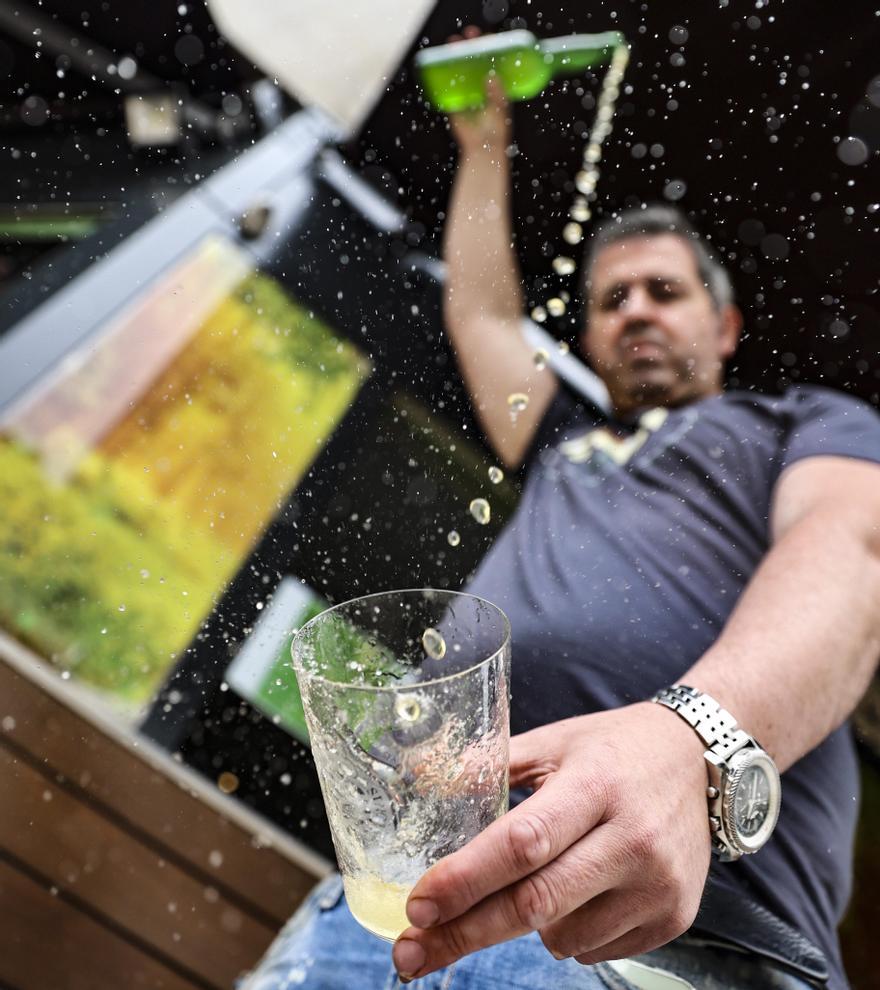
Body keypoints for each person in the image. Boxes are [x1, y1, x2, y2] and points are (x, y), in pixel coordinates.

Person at [241, 77, 880, 990]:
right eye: (611, 300)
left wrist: (689, 743)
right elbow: (482, 313)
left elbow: (852, 560)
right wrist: (483, 146)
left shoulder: (806, 425)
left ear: (726, 324)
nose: (635, 313)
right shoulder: (563, 441)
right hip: (396, 900)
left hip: (681, 944)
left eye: (665, 292)